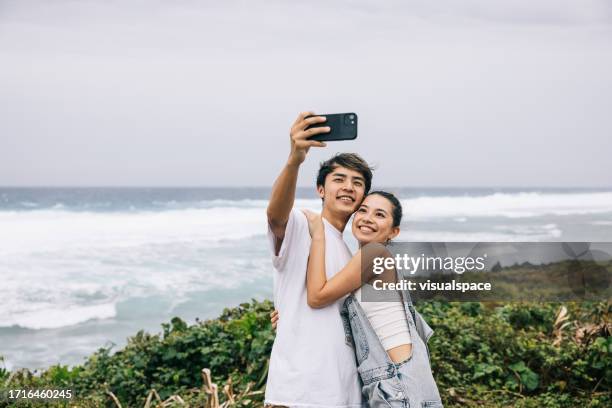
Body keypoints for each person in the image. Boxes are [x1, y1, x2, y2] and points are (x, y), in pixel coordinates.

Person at [264, 111, 373, 407]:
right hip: (298, 394)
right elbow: (275, 216)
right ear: (321, 190)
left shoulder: (353, 254)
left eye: (358, 183)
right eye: (339, 179)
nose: (349, 187)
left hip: (344, 395)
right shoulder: (303, 224)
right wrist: (295, 159)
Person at [302, 191, 443, 407]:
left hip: (396, 383)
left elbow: (317, 296)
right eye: (362, 210)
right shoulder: (368, 262)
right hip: (401, 382)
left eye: (379, 214)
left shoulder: (375, 253)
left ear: (394, 231)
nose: (367, 218)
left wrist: (318, 233)